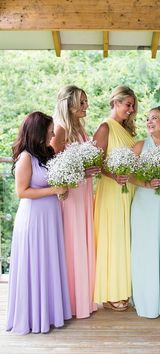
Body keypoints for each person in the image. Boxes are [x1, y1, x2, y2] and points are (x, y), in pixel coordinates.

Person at [6, 111, 72, 335]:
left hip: (50, 216)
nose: (53, 133)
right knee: (35, 263)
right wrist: (54, 190)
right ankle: (33, 317)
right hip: (34, 219)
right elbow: (21, 192)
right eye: (50, 129)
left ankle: (49, 313)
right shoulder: (26, 157)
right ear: (38, 131)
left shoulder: (48, 153)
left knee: (48, 262)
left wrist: (61, 191)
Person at [51, 85, 98, 319]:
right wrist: (81, 172)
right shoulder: (59, 129)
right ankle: (70, 300)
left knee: (83, 240)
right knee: (72, 242)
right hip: (70, 195)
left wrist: (90, 169)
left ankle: (83, 298)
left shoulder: (79, 128)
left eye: (85, 102)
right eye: (82, 102)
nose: (85, 106)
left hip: (84, 190)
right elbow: (52, 165)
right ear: (68, 104)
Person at [130, 106, 160, 318]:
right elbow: (127, 175)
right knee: (146, 250)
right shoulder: (140, 145)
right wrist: (146, 183)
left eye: (155, 119)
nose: (149, 122)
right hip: (145, 204)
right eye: (147, 119)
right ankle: (147, 300)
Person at [93, 85, 137, 311]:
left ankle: (124, 287)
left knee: (125, 238)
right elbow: (95, 163)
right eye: (128, 104)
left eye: (133, 106)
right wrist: (114, 174)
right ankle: (110, 292)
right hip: (111, 190)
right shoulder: (105, 128)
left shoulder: (127, 130)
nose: (131, 109)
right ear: (116, 103)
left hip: (129, 190)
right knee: (113, 238)